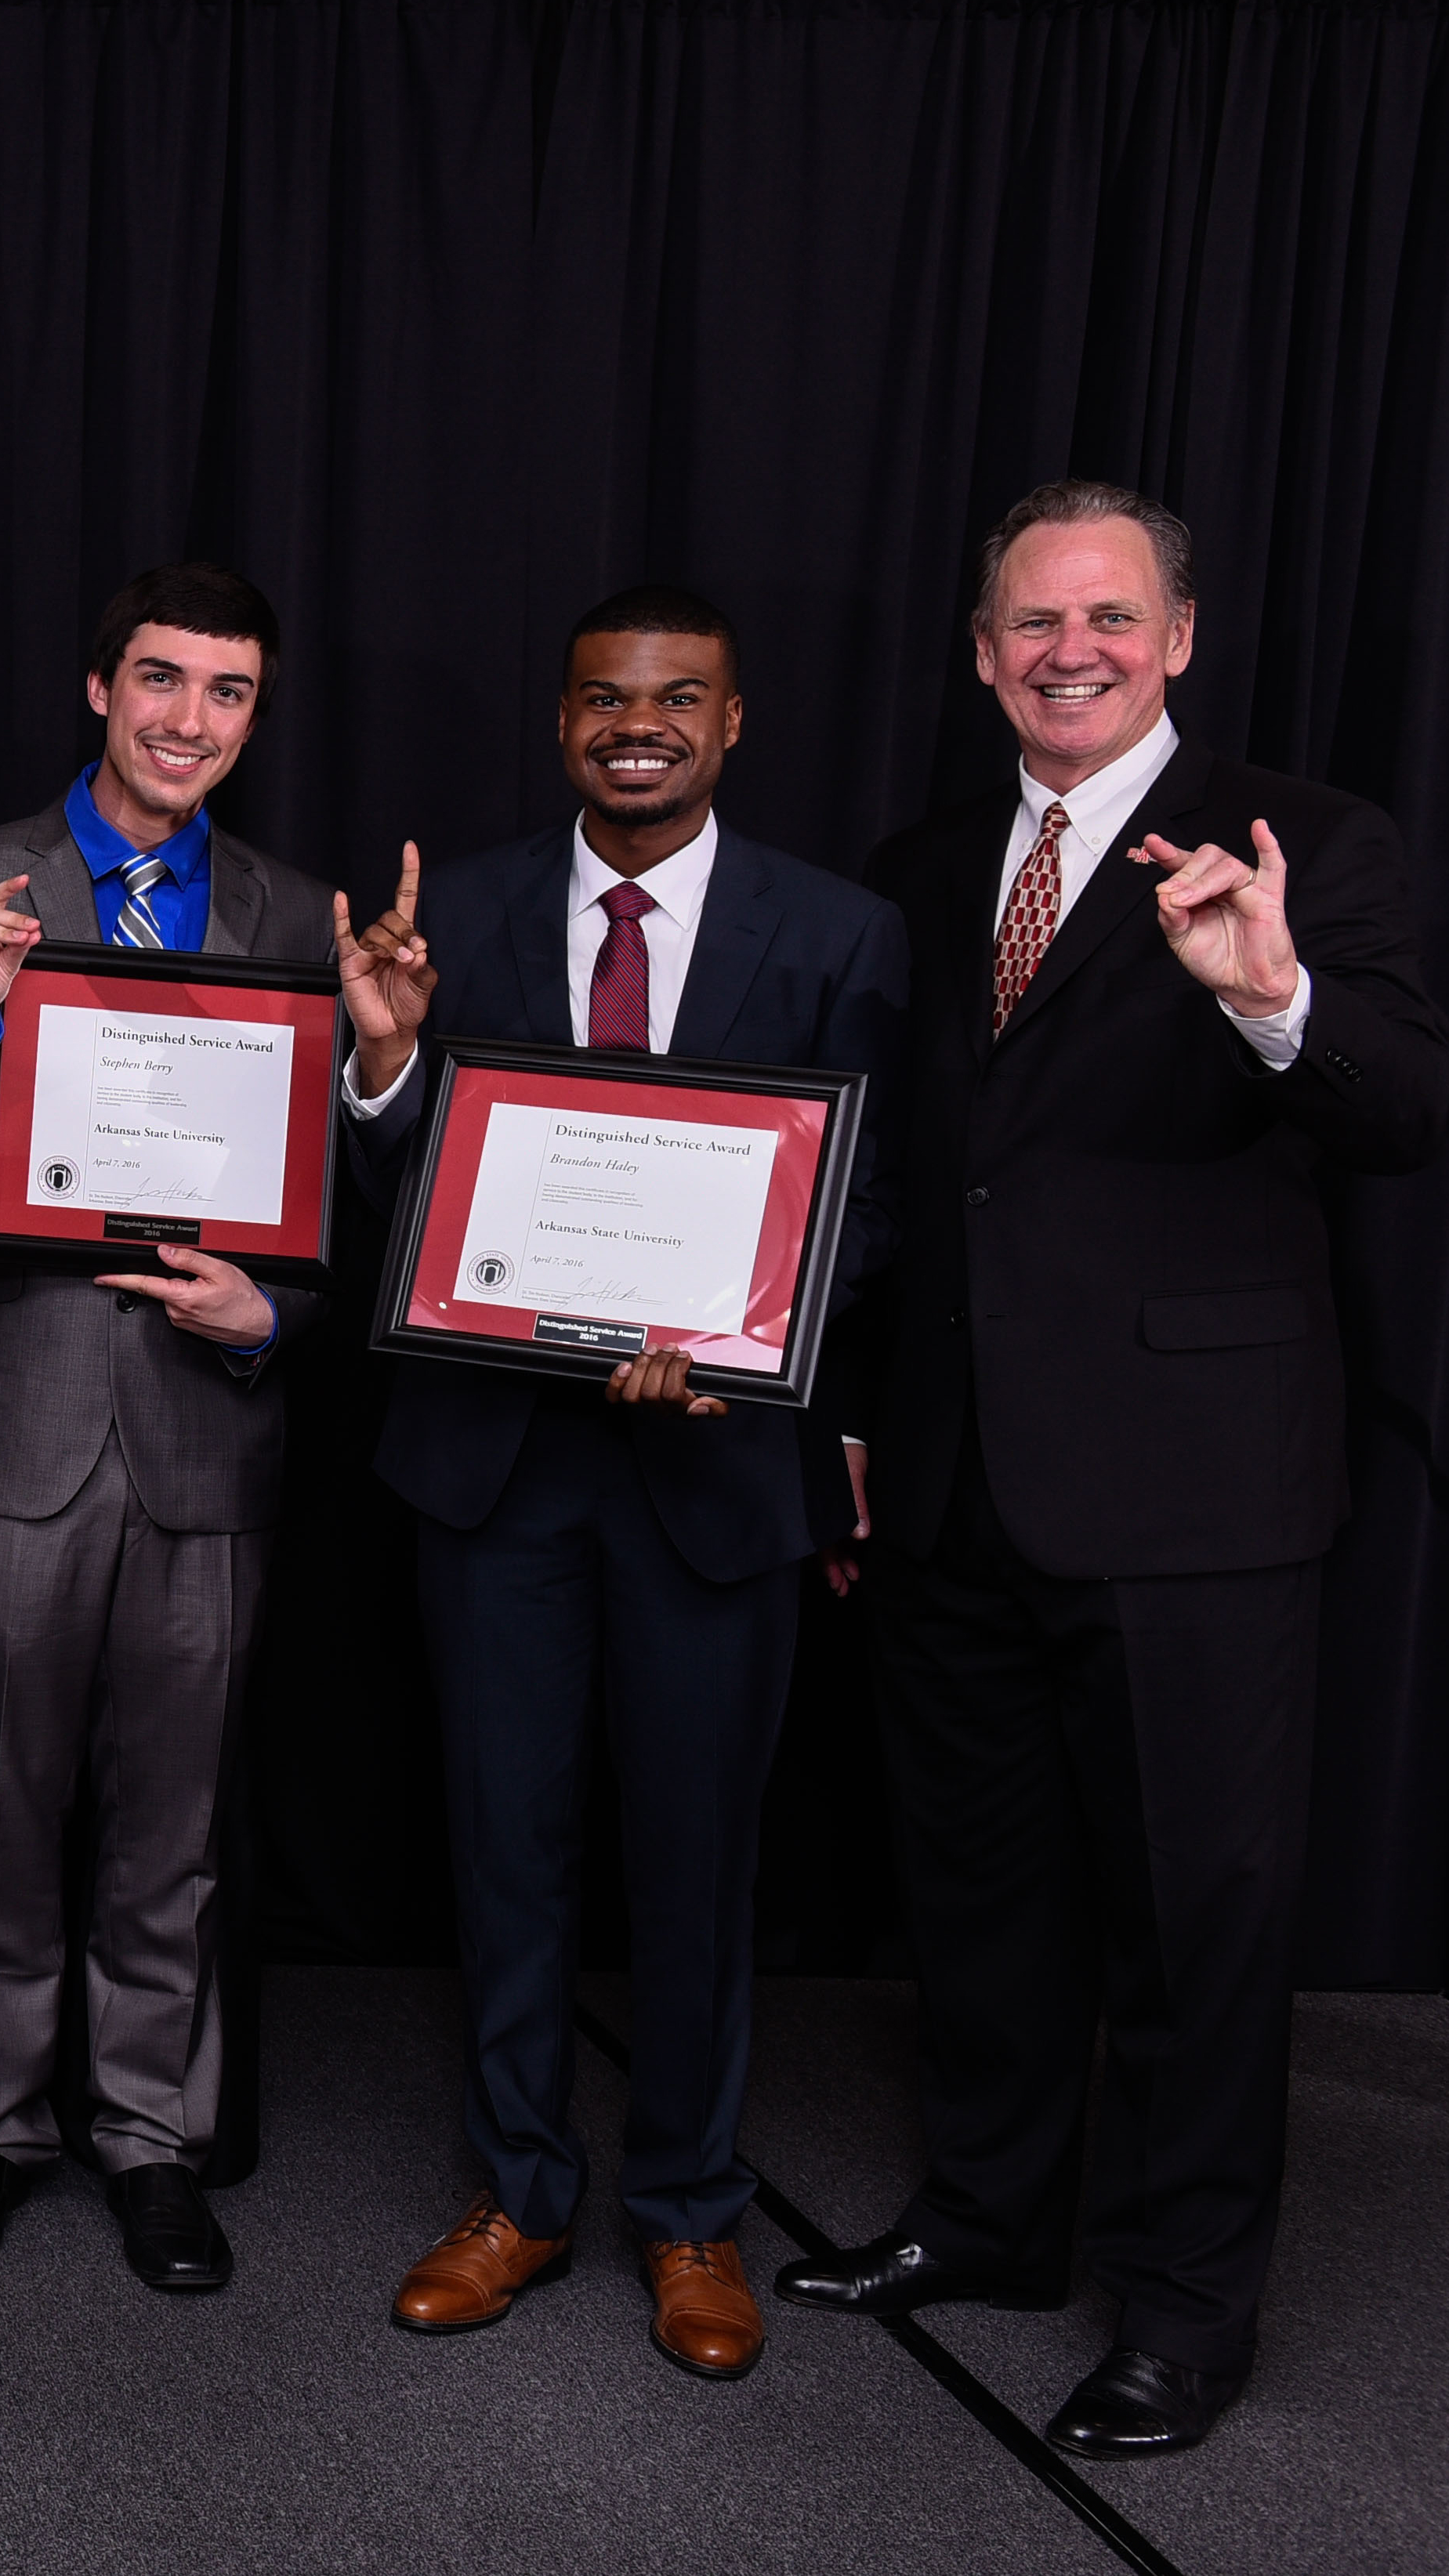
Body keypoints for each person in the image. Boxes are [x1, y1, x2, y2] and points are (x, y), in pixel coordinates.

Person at [777, 482, 1445, 2457]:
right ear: (984, 654)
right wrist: (854, 1430)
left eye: (1109, 616)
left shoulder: (1307, 845)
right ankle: (990, 2222)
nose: (1071, 647)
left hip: (1196, 1496)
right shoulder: (917, 865)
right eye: (1031, 621)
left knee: (1197, 1920)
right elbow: (895, 1188)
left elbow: (1407, 1107)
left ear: (1175, 640)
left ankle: (1184, 2305)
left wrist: (1269, 991)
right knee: (980, 1899)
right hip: (958, 1483)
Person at [339, 589, 908, 2377]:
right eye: (604, 698)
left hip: (716, 1473)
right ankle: (519, 2191)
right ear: (564, 719)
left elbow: (872, 1210)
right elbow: (396, 1199)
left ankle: (689, 2213)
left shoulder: (841, 931)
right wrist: (382, 1060)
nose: (636, 724)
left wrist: (741, 1339)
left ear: (735, 724)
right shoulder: (459, 917)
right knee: (504, 1851)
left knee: (697, 1863)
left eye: (676, 699)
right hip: (496, 1471)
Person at [0, 563, 339, 2298]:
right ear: (96, 687)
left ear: (253, 717)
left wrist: (270, 1312)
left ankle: (151, 2141)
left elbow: (338, 1202)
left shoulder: (300, 916)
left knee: (177, 1823)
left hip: (210, 1426)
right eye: (160, 681)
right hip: (13, 1426)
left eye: (226, 693)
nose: (188, 720)